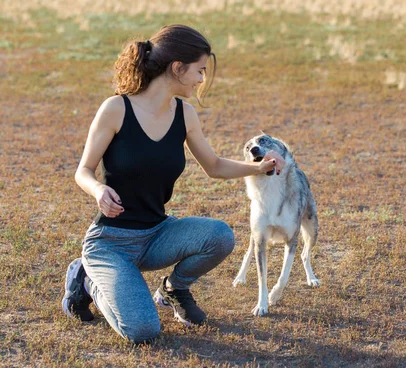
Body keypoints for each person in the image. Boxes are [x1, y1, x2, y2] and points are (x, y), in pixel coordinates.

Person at [62, 24, 285, 344]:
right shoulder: (116, 109)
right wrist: (98, 190)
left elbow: (215, 166)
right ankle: (86, 280)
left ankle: (174, 288)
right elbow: (83, 170)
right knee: (143, 330)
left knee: (220, 236)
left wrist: (259, 167)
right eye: (199, 71)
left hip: (156, 234)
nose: (201, 79)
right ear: (177, 68)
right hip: (110, 243)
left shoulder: (185, 114)